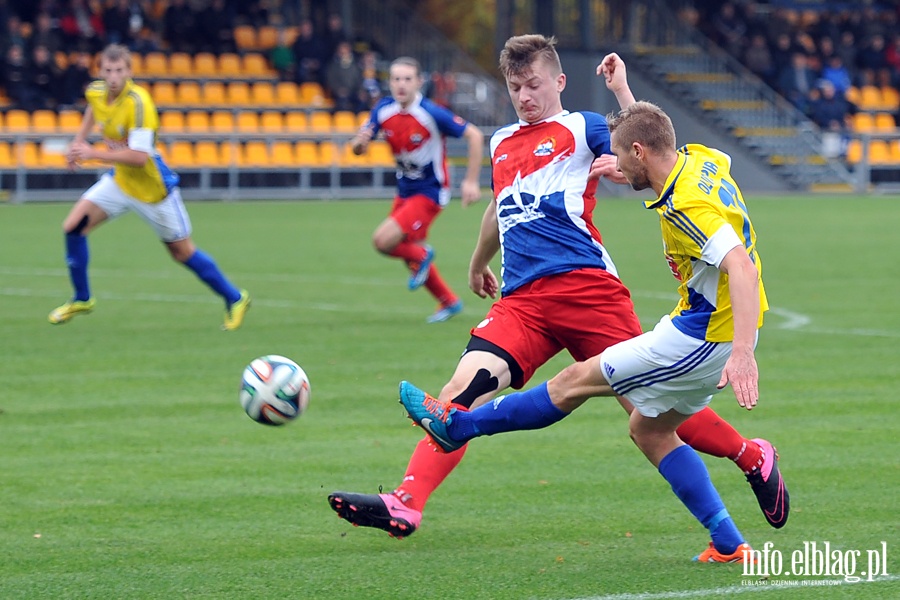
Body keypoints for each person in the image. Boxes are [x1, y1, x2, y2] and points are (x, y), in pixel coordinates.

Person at [329, 37, 788, 539]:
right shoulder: (503, 141)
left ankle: (751, 455)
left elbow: (651, 146)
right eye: (514, 87)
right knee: (458, 394)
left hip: (588, 291)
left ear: (558, 82)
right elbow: (499, 204)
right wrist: (479, 260)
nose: (524, 96)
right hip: (522, 300)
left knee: (649, 413)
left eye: (533, 85)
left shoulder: (582, 126)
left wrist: (621, 92)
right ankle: (406, 504)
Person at [48, 44, 250, 331]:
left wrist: (91, 153)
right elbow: (94, 110)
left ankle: (235, 298)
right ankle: (82, 299)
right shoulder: (96, 91)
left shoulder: (139, 104)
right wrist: (78, 143)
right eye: (107, 70)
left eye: (119, 71)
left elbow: (139, 158)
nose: (113, 77)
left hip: (153, 191)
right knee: (73, 227)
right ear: (100, 71)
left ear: (129, 72)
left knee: (182, 252)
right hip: (120, 181)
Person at [346, 55, 483, 323]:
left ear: (419, 82)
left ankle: (422, 255)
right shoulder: (383, 110)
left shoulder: (431, 112)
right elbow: (357, 148)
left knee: (383, 241)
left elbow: (475, 135)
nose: (401, 84)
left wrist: (470, 181)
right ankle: (449, 301)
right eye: (396, 79)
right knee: (407, 250)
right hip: (405, 191)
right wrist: (359, 142)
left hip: (430, 191)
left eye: (407, 79)